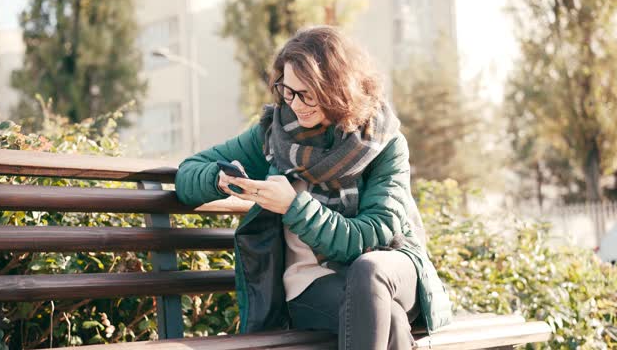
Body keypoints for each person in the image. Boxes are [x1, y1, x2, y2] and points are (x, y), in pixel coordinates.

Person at [175, 25, 452, 350]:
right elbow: (187, 174)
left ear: (338, 88)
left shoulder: (383, 142)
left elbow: (371, 235)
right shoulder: (273, 134)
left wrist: (294, 207)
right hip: (312, 281)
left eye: (308, 94)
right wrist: (217, 179)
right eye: (288, 91)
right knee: (388, 319)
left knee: (368, 270)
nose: (295, 104)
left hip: (389, 268)